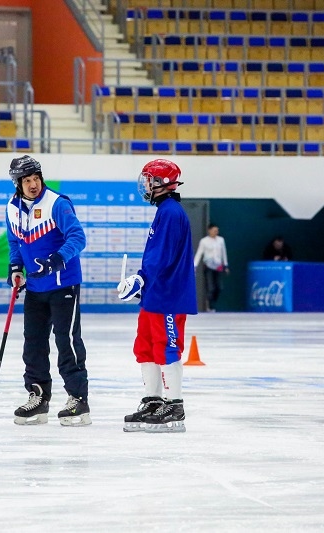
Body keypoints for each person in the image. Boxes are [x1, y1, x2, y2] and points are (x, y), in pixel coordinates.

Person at [5, 155, 91, 427]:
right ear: (18, 184)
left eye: (36, 179)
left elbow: (78, 237)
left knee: (66, 341)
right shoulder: (12, 207)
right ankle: (38, 397)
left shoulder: (57, 204)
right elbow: (15, 242)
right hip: (35, 287)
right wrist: (15, 267)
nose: (33, 185)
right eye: (27, 180)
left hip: (64, 284)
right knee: (33, 343)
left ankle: (78, 399)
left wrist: (57, 259)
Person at [117, 159, 197, 433]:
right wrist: (143, 281)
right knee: (146, 346)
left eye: (150, 180)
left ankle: (174, 405)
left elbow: (162, 256)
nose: (146, 185)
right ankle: (153, 401)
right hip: (155, 295)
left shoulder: (172, 213)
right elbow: (156, 256)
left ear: (162, 183)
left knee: (167, 346)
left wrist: (141, 278)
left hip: (169, 297)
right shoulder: (163, 212)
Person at [194, 223, 229, 312]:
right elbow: (199, 253)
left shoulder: (221, 240)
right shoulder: (204, 241)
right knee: (210, 287)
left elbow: (223, 253)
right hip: (208, 266)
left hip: (218, 266)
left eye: (217, 231)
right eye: (214, 230)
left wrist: (225, 265)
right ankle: (209, 306)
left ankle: (213, 300)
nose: (216, 232)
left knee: (219, 287)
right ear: (209, 230)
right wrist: (195, 265)